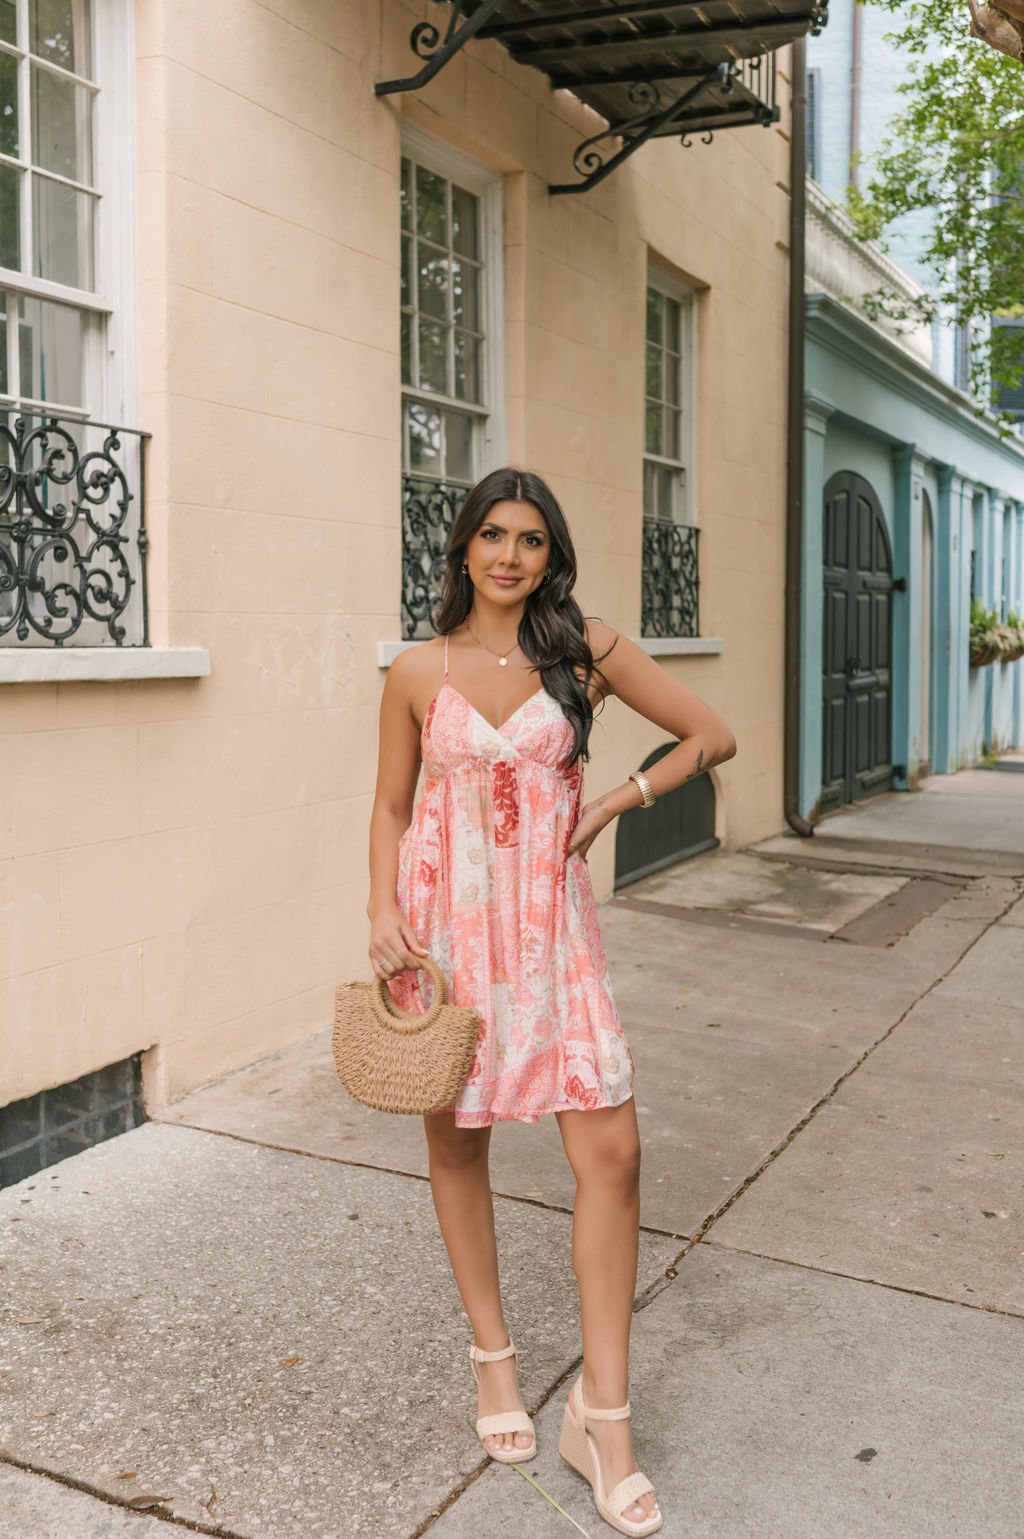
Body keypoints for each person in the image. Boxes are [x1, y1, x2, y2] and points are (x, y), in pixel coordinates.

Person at [366, 467, 736, 1536]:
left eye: (530, 538)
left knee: (611, 1155)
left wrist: (618, 800)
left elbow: (710, 734)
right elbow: (389, 808)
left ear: (549, 554)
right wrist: (378, 914)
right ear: (463, 551)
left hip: (550, 933)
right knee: (455, 1143)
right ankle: (494, 1364)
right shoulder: (414, 669)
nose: (510, 555)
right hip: (444, 936)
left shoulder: (586, 650)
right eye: (491, 535)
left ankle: (602, 1419)